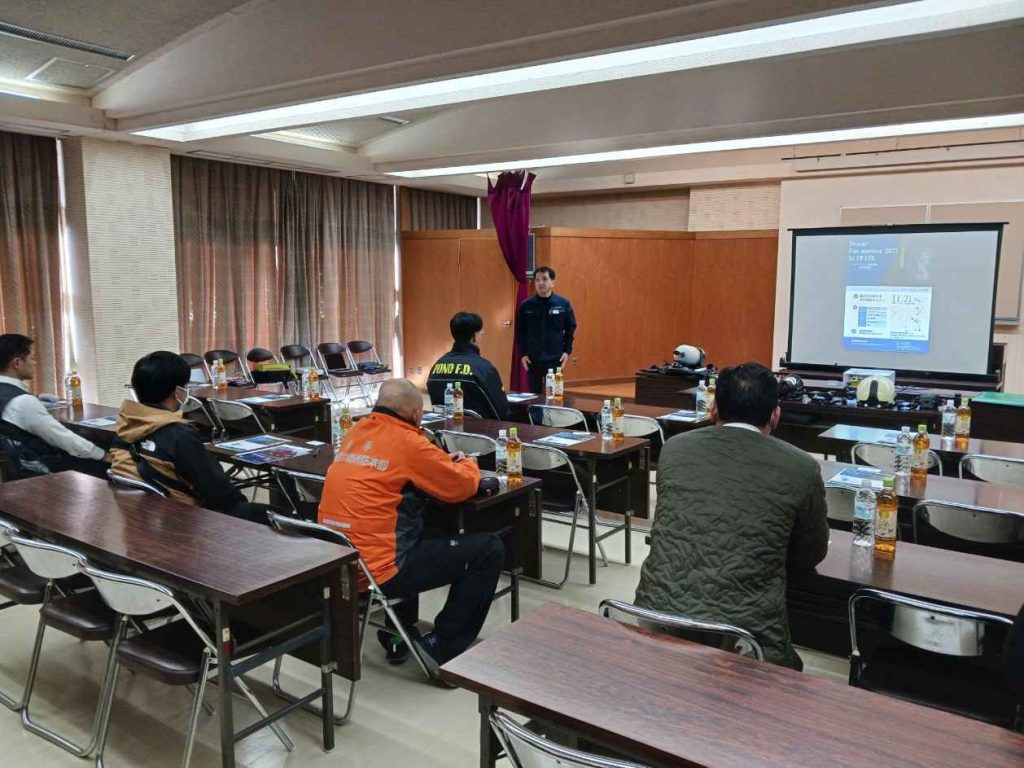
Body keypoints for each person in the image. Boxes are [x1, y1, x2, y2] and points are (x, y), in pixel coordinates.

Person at [634, 362, 829, 669]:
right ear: (775, 415)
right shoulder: (801, 467)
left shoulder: (674, 449)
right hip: (744, 639)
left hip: (655, 618)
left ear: (714, 410)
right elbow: (811, 554)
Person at [318, 378, 504, 680]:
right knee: (488, 549)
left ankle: (397, 632)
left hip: (338, 564)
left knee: (421, 527)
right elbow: (460, 486)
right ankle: (442, 647)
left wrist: (437, 463)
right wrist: (468, 463)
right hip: (379, 572)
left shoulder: (356, 431)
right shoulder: (409, 441)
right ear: (417, 415)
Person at [110, 351, 273, 523]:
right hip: (185, 523)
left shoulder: (125, 426)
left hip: (143, 518)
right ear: (177, 392)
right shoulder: (179, 437)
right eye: (185, 386)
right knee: (278, 516)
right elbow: (222, 496)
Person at [0, 333, 110, 478]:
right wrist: (103, 455)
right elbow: (64, 439)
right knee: (106, 466)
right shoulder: (23, 402)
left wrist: (37, 398)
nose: (35, 363)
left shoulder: (15, 398)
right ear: (17, 363)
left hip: (13, 469)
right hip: (41, 470)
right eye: (32, 358)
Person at [426, 311, 510, 419]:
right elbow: (501, 411)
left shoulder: (436, 366)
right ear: (474, 336)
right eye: (480, 332)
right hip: (481, 428)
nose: (483, 333)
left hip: (445, 427)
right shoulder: (484, 368)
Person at [516, 266, 576, 395]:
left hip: (555, 358)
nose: (540, 283)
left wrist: (567, 351)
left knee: (554, 395)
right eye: (537, 280)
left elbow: (571, 327)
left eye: (544, 279)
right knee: (533, 396)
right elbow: (520, 331)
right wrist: (523, 354)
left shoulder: (563, 303)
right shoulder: (526, 305)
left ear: (553, 282)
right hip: (533, 358)